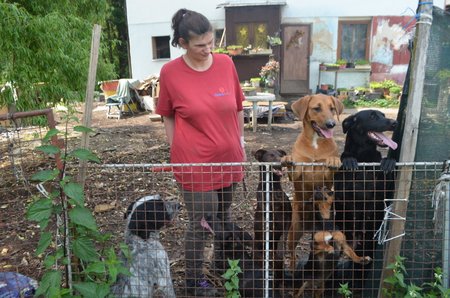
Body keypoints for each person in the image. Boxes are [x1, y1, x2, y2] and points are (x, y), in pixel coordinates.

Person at [155, 8, 246, 297]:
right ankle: (194, 282)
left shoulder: (225, 64)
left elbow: (238, 106)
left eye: (211, 42)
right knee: (201, 222)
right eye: (200, 45)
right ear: (183, 43)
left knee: (224, 215)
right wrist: (174, 147)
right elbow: (167, 114)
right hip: (194, 161)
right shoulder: (170, 73)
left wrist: (240, 141)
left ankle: (222, 266)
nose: (208, 50)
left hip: (229, 157)